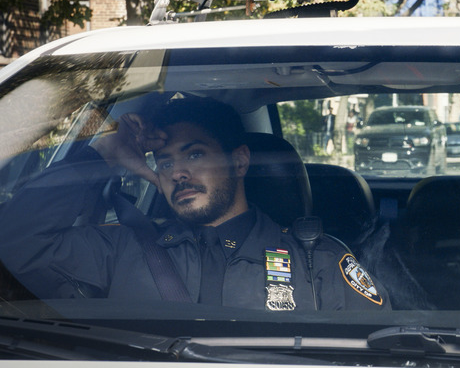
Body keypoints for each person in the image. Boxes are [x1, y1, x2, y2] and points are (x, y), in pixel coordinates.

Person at [0, 96, 389, 311]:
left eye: (195, 155)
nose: (177, 172)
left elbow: (377, 350)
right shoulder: (125, 247)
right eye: (165, 162)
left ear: (239, 160)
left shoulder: (316, 260)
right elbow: (17, 240)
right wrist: (102, 154)